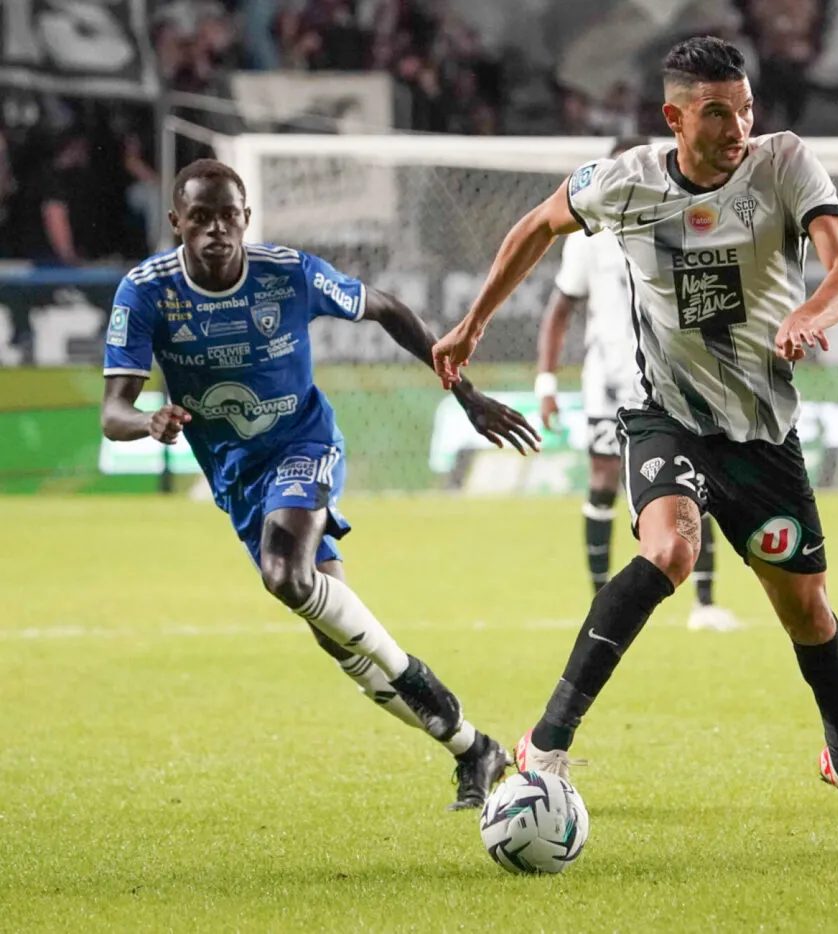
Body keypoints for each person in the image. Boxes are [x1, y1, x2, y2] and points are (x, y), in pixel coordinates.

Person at [432, 36, 838, 854]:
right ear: (676, 117)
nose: (739, 127)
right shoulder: (626, 180)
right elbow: (538, 223)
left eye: (747, 108)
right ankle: (545, 745)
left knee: (808, 614)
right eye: (720, 112)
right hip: (667, 417)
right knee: (671, 550)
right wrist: (473, 323)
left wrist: (810, 315)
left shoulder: (786, 163)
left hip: (762, 437)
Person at [101, 159, 540, 811]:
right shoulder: (146, 293)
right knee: (333, 631)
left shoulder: (287, 273)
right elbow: (112, 412)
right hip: (238, 477)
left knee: (285, 576)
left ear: (246, 217)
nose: (217, 230)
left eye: (229, 216)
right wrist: (147, 419)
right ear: (176, 223)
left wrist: (464, 394)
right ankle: (472, 747)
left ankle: (440, 698)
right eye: (201, 218)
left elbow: (385, 308)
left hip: (304, 445)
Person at [536, 135, 741, 632]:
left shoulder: (680, 223)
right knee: (603, 480)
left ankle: (706, 602)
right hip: (608, 381)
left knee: (695, 480)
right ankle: (600, 601)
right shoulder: (588, 234)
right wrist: (546, 381)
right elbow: (561, 306)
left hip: (672, 378)